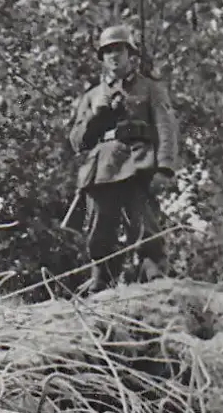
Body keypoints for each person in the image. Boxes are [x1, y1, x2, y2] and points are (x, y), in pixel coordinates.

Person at [66, 24, 179, 292]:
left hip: (138, 162)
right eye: (107, 52)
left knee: (145, 223)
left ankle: (153, 273)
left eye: (119, 50)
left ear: (132, 55)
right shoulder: (92, 96)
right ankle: (102, 277)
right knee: (100, 227)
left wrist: (165, 168)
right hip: (102, 167)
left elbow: (166, 128)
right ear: (102, 58)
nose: (113, 56)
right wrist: (97, 117)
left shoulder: (151, 89)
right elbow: (77, 141)